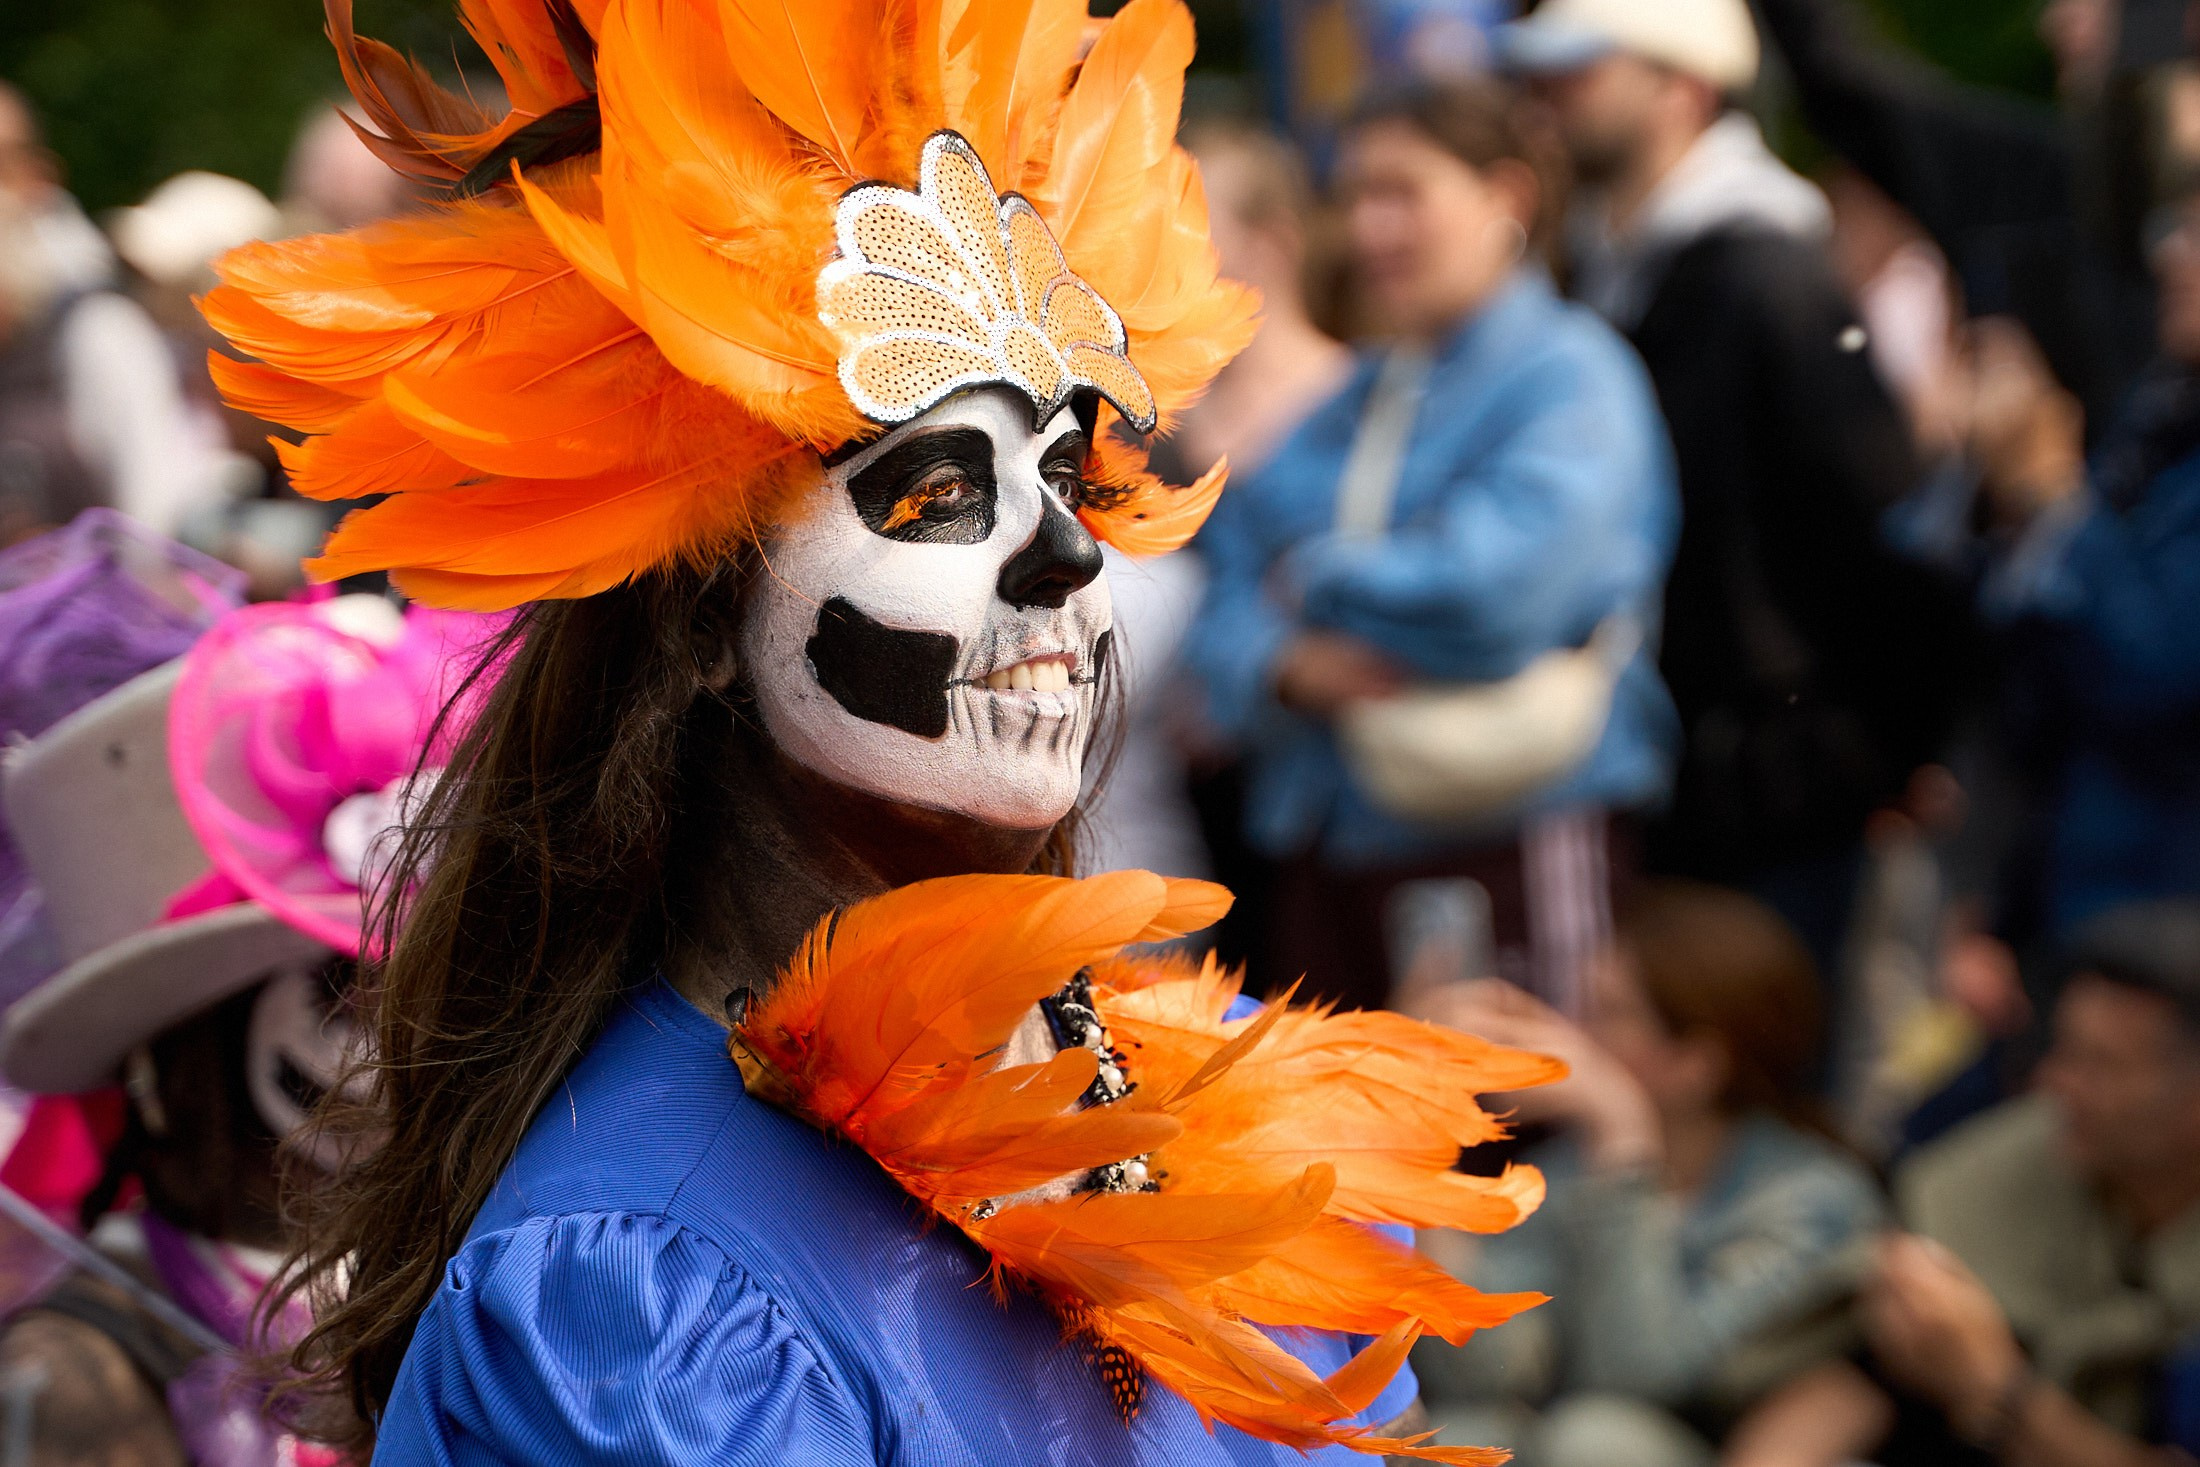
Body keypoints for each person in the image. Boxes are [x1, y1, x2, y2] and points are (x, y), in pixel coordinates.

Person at [207, 2, 1566, 1462]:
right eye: (937, 494)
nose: (1070, 553)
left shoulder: (1198, 1089)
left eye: (1069, 476)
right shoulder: (638, 1294)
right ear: (699, 640)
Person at [1182, 78, 1679, 1016]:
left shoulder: (1574, 376)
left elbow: (1494, 597)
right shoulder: (1362, 394)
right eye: (1356, 196)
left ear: (1508, 197)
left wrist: (1313, 580)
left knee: (1524, 1132)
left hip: (1512, 835)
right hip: (1331, 856)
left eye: (1402, 193)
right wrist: (1288, 667)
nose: (1368, 229)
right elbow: (1221, 609)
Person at [1501, 0, 1976, 978]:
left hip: (1777, 800)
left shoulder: (1765, 274)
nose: (1545, 100)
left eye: (1580, 70)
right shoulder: (1609, 269)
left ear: (1683, 84)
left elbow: (1881, 531)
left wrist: (1870, 758)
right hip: (1678, 786)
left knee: (1771, 1100)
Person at [0, 592, 496, 1465]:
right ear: (176, 1052)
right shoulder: (80, 1381)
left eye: (421, 989)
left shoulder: (445, 1296)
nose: (397, 1044)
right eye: (343, 990)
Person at [1409, 882, 1884, 1467]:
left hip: (1729, 1447)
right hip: (1585, 1432)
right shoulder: (1566, 1170)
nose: (1575, 1034)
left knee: (1595, 1440)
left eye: (1610, 1012)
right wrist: (1418, 1158)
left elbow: (1640, 1374)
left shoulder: (1816, 1197)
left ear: (1697, 1063)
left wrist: (1624, 1139)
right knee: (1458, 1436)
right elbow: (1491, 1372)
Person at [1722, 900, 2200, 1466]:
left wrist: (1997, 1389)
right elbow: (1853, 1377)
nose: (2056, 1083)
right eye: (2063, 1049)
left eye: (2101, 1064)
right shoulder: (2007, 1164)